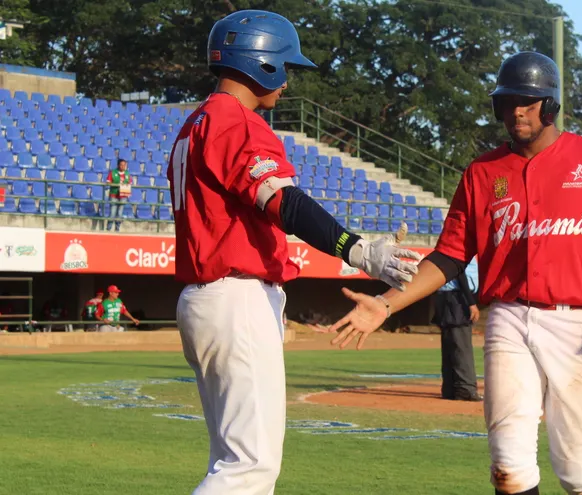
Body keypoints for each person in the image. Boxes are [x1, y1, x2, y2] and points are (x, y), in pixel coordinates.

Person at [327, 51, 582, 495]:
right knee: (509, 466)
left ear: (550, 105)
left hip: (580, 322)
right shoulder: (483, 172)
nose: (516, 111)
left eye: (527, 101)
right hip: (509, 318)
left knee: (579, 471)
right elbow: (449, 256)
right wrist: (386, 304)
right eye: (507, 102)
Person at [167, 10, 423, 494]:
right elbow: (283, 200)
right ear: (260, 62)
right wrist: (355, 248)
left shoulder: (195, 121)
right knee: (250, 467)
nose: (286, 81)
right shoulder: (235, 121)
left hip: (207, 298)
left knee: (231, 460)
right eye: (284, 66)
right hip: (235, 297)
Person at [432, 259, 481, 401]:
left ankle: (450, 389)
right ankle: (465, 388)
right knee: (461, 346)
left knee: (449, 344)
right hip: (458, 297)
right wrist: (471, 302)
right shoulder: (462, 250)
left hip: (445, 296)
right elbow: (460, 274)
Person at [106, 158, 132, 231]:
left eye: (124, 165)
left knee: (120, 213)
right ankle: (108, 229)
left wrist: (126, 187)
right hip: (114, 195)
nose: (123, 166)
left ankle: (117, 229)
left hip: (123, 196)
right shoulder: (113, 172)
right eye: (121, 165)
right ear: (118, 165)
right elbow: (108, 182)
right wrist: (116, 185)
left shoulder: (127, 173)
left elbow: (130, 183)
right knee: (112, 213)